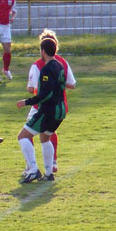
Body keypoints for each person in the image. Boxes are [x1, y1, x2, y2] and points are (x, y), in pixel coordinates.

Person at [25, 29, 76, 175]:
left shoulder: (38, 65)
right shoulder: (62, 63)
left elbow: (31, 89)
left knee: (26, 135)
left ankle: (31, 167)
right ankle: (52, 164)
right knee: (49, 133)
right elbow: (72, 84)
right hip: (60, 105)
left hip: (40, 106)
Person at [16, 38, 66, 183]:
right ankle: (49, 173)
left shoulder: (46, 69)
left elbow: (45, 95)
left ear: (42, 51)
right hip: (60, 110)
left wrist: (26, 102)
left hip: (48, 111)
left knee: (22, 136)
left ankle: (33, 171)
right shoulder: (59, 65)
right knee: (45, 138)